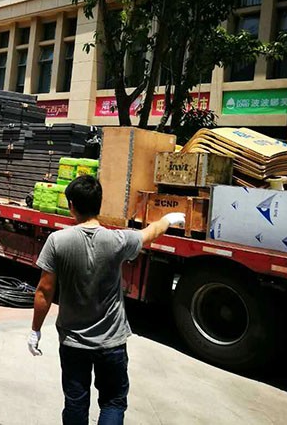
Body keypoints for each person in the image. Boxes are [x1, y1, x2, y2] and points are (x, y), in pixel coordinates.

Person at [28, 175, 185, 425]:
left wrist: (35, 330)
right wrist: (168, 219)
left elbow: (44, 292)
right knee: (113, 402)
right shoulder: (117, 240)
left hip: (73, 342)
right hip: (111, 343)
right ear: (99, 204)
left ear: (71, 205)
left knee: (75, 403)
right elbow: (150, 233)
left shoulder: (57, 242)